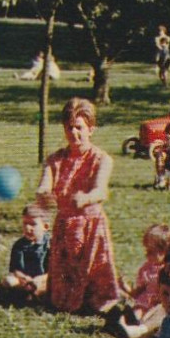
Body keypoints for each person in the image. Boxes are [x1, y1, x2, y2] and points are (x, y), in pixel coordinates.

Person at [37, 98, 120, 315]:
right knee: (62, 290)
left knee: (95, 277)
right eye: (69, 128)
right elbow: (45, 185)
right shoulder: (55, 160)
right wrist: (44, 194)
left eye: (79, 128)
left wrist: (85, 198)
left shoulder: (102, 159)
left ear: (91, 129)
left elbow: (101, 190)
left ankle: (97, 302)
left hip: (90, 225)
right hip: (65, 226)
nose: (74, 133)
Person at [103, 224, 170, 338]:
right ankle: (123, 323)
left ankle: (129, 326)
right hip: (143, 304)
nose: (147, 255)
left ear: (164, 251)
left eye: (151, 252)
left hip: (158, 306)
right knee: (136, 311)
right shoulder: (147, 268)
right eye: (146, 250)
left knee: (154, 314)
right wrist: (125, 287)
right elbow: (138, 292)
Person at [1, 205, 52, 305]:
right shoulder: (19, 245)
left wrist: (40, 279)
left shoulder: (50, 245)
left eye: (33, 224)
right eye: (25, 223)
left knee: (52, 286)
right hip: (24, 280)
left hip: (43, 280)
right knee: (8, 281)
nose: (28, 228)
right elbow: (15, 269)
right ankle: (28, 295)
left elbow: (52, 270)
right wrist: (23, 278)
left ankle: (32, 295)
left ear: (45, 227)